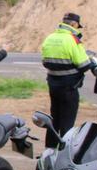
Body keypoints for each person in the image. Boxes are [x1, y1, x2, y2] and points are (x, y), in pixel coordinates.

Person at [40, 12, 93, 148]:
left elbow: (45, 61)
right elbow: (84, 65)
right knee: (67, 120)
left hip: (53, 84)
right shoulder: (72, 39)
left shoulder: (50, 38)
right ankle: (64, 149)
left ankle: (50, 148)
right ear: (74, 24)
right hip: (69, 86)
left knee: (54, 118)